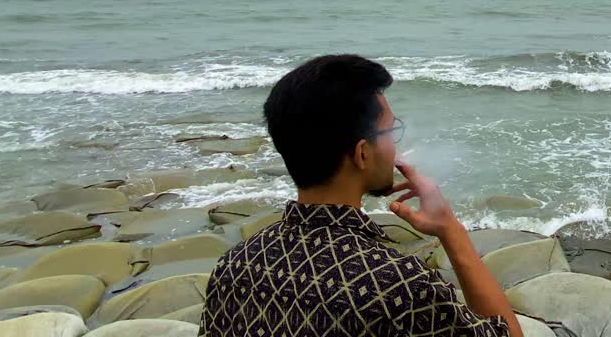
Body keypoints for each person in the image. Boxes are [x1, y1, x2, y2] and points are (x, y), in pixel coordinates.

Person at [200, 54, 523, 337]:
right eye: (390, 131)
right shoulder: (398, 286)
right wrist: (450, 229)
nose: (395, 145)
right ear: (362, 153)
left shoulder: (234, 265)